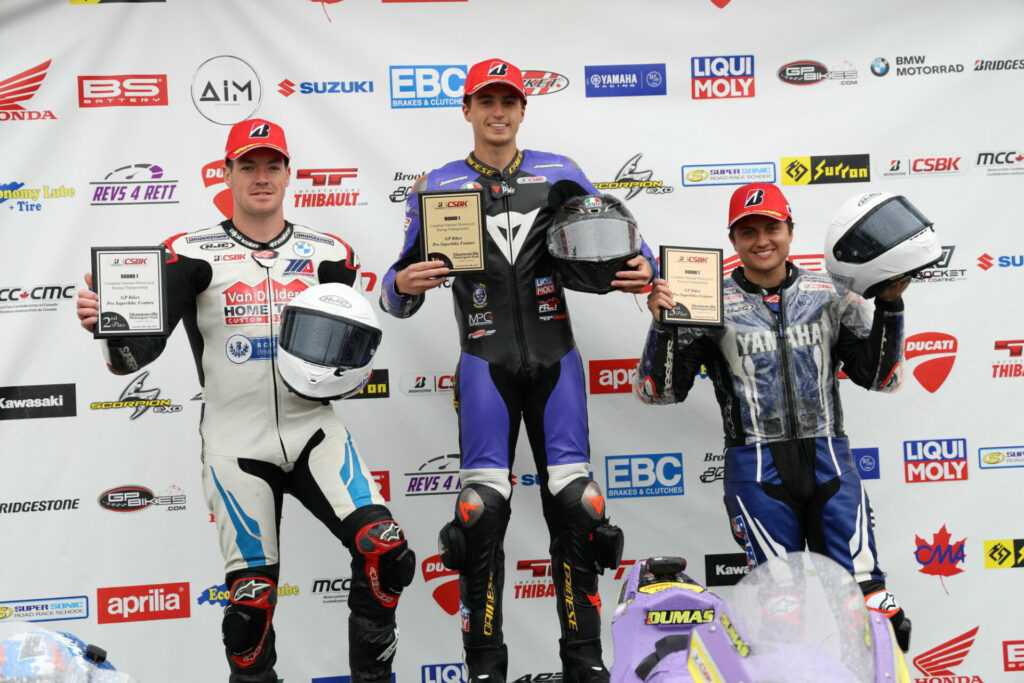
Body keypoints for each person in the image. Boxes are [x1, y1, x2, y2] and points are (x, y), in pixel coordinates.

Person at [76, 119, 415, 683]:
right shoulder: (184, 254)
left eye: (273, 165)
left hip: (314, 431)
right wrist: (110, 331)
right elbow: (133, 358)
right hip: (236, 443)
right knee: (251, 605)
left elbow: (351, 349)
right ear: (226, 172)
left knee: (385, 552)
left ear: (288, 173)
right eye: (249, 165)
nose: (262, 177)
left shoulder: (330, 253)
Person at [379, 58, 655, 683]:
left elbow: (629, 243)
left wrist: (650, 272)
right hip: (484, 363)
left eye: (509, 101)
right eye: (486, 101)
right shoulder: (437, 182)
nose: (498, 112)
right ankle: (484, 668)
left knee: (580, 506)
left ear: (523, 110)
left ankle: (585, 663)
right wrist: (401, 284)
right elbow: (395, 294)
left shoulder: (560, 173)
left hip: (557, 359)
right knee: (479, 512)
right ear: (468, 110)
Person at [633, 182, 913, 651]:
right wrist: (662, 326)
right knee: (782, 611)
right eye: (748, 231)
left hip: (829, 460)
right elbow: (658, 393)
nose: (761, 240)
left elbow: (881, 379)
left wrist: (890, 304)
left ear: (790, 230)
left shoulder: (831, 293)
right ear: (733, 239)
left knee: (869, 605)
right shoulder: (707, 298)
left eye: (771, 228)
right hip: (757, 470)